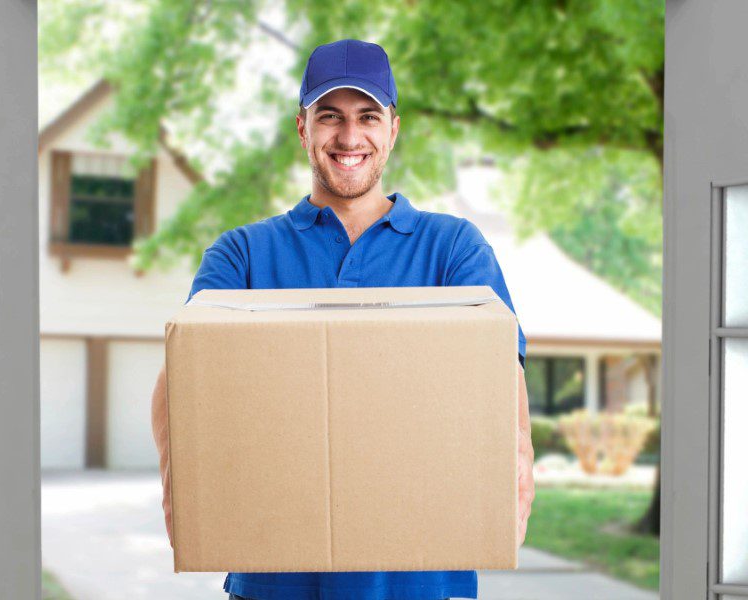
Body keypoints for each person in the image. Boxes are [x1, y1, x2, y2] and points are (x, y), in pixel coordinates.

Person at [151, 38, 535, 600]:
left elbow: (502, 375)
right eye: (330, 117)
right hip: (274, 578)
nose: (350, 138)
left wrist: (519, 467)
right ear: (302, 129)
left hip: (417, 579)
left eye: (367, 117)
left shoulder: (452, 249)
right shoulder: (243, 254)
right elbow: (182, 378)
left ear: (393, 129)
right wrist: (177, 491)